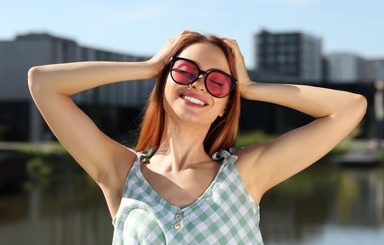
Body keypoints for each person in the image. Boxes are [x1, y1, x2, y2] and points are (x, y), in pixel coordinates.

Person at [28, 30, 367, 244]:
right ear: (165, 82)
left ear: (224, 106)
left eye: (217, 82)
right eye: (186, 71)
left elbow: (350, 107)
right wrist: (148, 67)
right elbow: (43, 83)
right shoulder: (120, 172)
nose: (198, 84)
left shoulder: (247, 174)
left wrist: (249, 88)